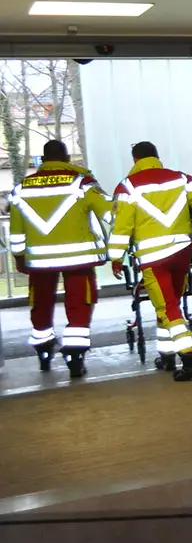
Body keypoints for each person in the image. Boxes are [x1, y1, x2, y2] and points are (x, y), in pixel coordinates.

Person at [109, 141, 192, 382]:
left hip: (153, 258)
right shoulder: (182, 179)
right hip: (182, 252)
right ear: (157, 157)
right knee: (171, 303)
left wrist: (116, 257)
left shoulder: (127, 187)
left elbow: (121, 228)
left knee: (166, 307)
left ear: (135, 160)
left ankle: (190, 357)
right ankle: (167, 355)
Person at [7, 140, 113, 377]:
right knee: (79, 303)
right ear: (66, 159)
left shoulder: (21, 189)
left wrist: (19, 257)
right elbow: (110, 213)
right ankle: (75, 356)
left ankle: (43, 348)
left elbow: (16, 231)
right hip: (79, 259)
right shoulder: (82, 184)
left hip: (39, 261)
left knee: (41, 302)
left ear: (43, 161)